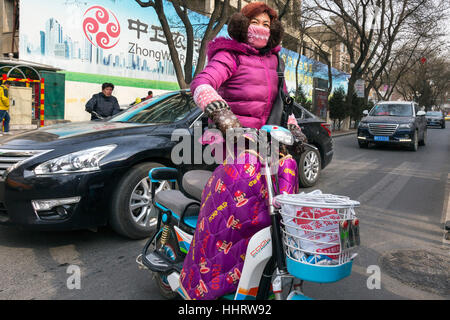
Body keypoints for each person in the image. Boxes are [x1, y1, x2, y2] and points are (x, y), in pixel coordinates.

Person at [179, 2, 306, 300]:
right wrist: (221, 113)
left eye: (266, 23)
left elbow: (284, 104)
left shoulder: (277, 63)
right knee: (246, 177)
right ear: (241, 24)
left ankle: (273, 264)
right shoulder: (229, 55)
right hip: (232, 144)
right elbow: (202, 83)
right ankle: (211, 278)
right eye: (255, 21)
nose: (260, 27)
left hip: (267, 146)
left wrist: (295, 129)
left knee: (288, 175)